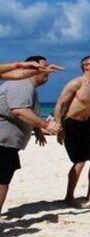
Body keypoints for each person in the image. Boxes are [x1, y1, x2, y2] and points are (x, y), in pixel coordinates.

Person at [0, 56, 61, 214]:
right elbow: (19, 110)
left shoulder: (27, 86)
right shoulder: (21, 85)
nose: (46, 71)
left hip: (7, 143)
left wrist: (37, 129)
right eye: (42, 67)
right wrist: (46, 125)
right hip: (2, 142)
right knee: (2, 182)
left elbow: (27, 111)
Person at [54, 56, 90, 207]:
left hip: (87, 124)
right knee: (79, 161)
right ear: (86, 66)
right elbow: (60, 105)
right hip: (72, 123)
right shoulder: (76, 83)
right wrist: (58, 126)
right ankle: (69, 196)